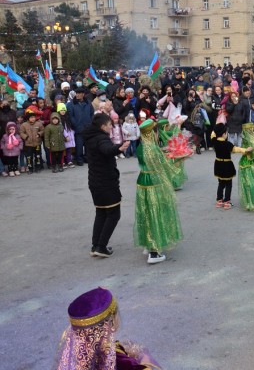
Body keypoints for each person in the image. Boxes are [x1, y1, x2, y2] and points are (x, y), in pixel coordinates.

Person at [55, 287, 161, 369]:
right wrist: (143, 357)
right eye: (116, 314)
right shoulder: (118, 359)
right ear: (110, 323)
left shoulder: (77, 354)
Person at [134, 119, 182, 264]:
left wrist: (163, 152)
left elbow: (153, 158)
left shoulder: (141, 147)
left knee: (147, 213)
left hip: (142, 182)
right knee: (156, 213)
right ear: (152, 133)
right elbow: (165, 167)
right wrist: (180, 158)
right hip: (154, 183)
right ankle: (154, 252)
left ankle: (148, 244)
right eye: (155, 132)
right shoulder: (153, 149)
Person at [83, 113, 130, 258]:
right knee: (114, 214)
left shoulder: (91, 137)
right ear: (103, 126)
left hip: (95, 181)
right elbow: (107, 149)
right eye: (110, 124)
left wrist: (116, 147)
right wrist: (119, 148)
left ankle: (95, 245)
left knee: (101, 213)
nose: (111, 127)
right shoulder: (101, 138)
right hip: (106, 182)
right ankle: (101, 246)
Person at [212, 123, 252, 209]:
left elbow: (212, 134)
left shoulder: (214, 141)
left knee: (221, 183)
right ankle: (227, 201)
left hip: (218, 164)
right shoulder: (228, 144)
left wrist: (218, 127)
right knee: (228, 184)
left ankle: (219, 200)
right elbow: (237, 149)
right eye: (226, 133)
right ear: (223, 134)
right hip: (227, 165)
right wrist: (246, 150)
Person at [20, 109, 44, 173]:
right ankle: (30, 168)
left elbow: (42, 130)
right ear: (28, 118)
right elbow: (21, 133)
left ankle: (38, 167)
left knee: (38, 156)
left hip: (37, 143)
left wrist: (39, 134)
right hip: (28, 144)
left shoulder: (39, 124)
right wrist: (26, 137)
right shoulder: (24, 125)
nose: (33, 119)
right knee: (29, 157)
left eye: (34, 117)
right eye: (31, 117)